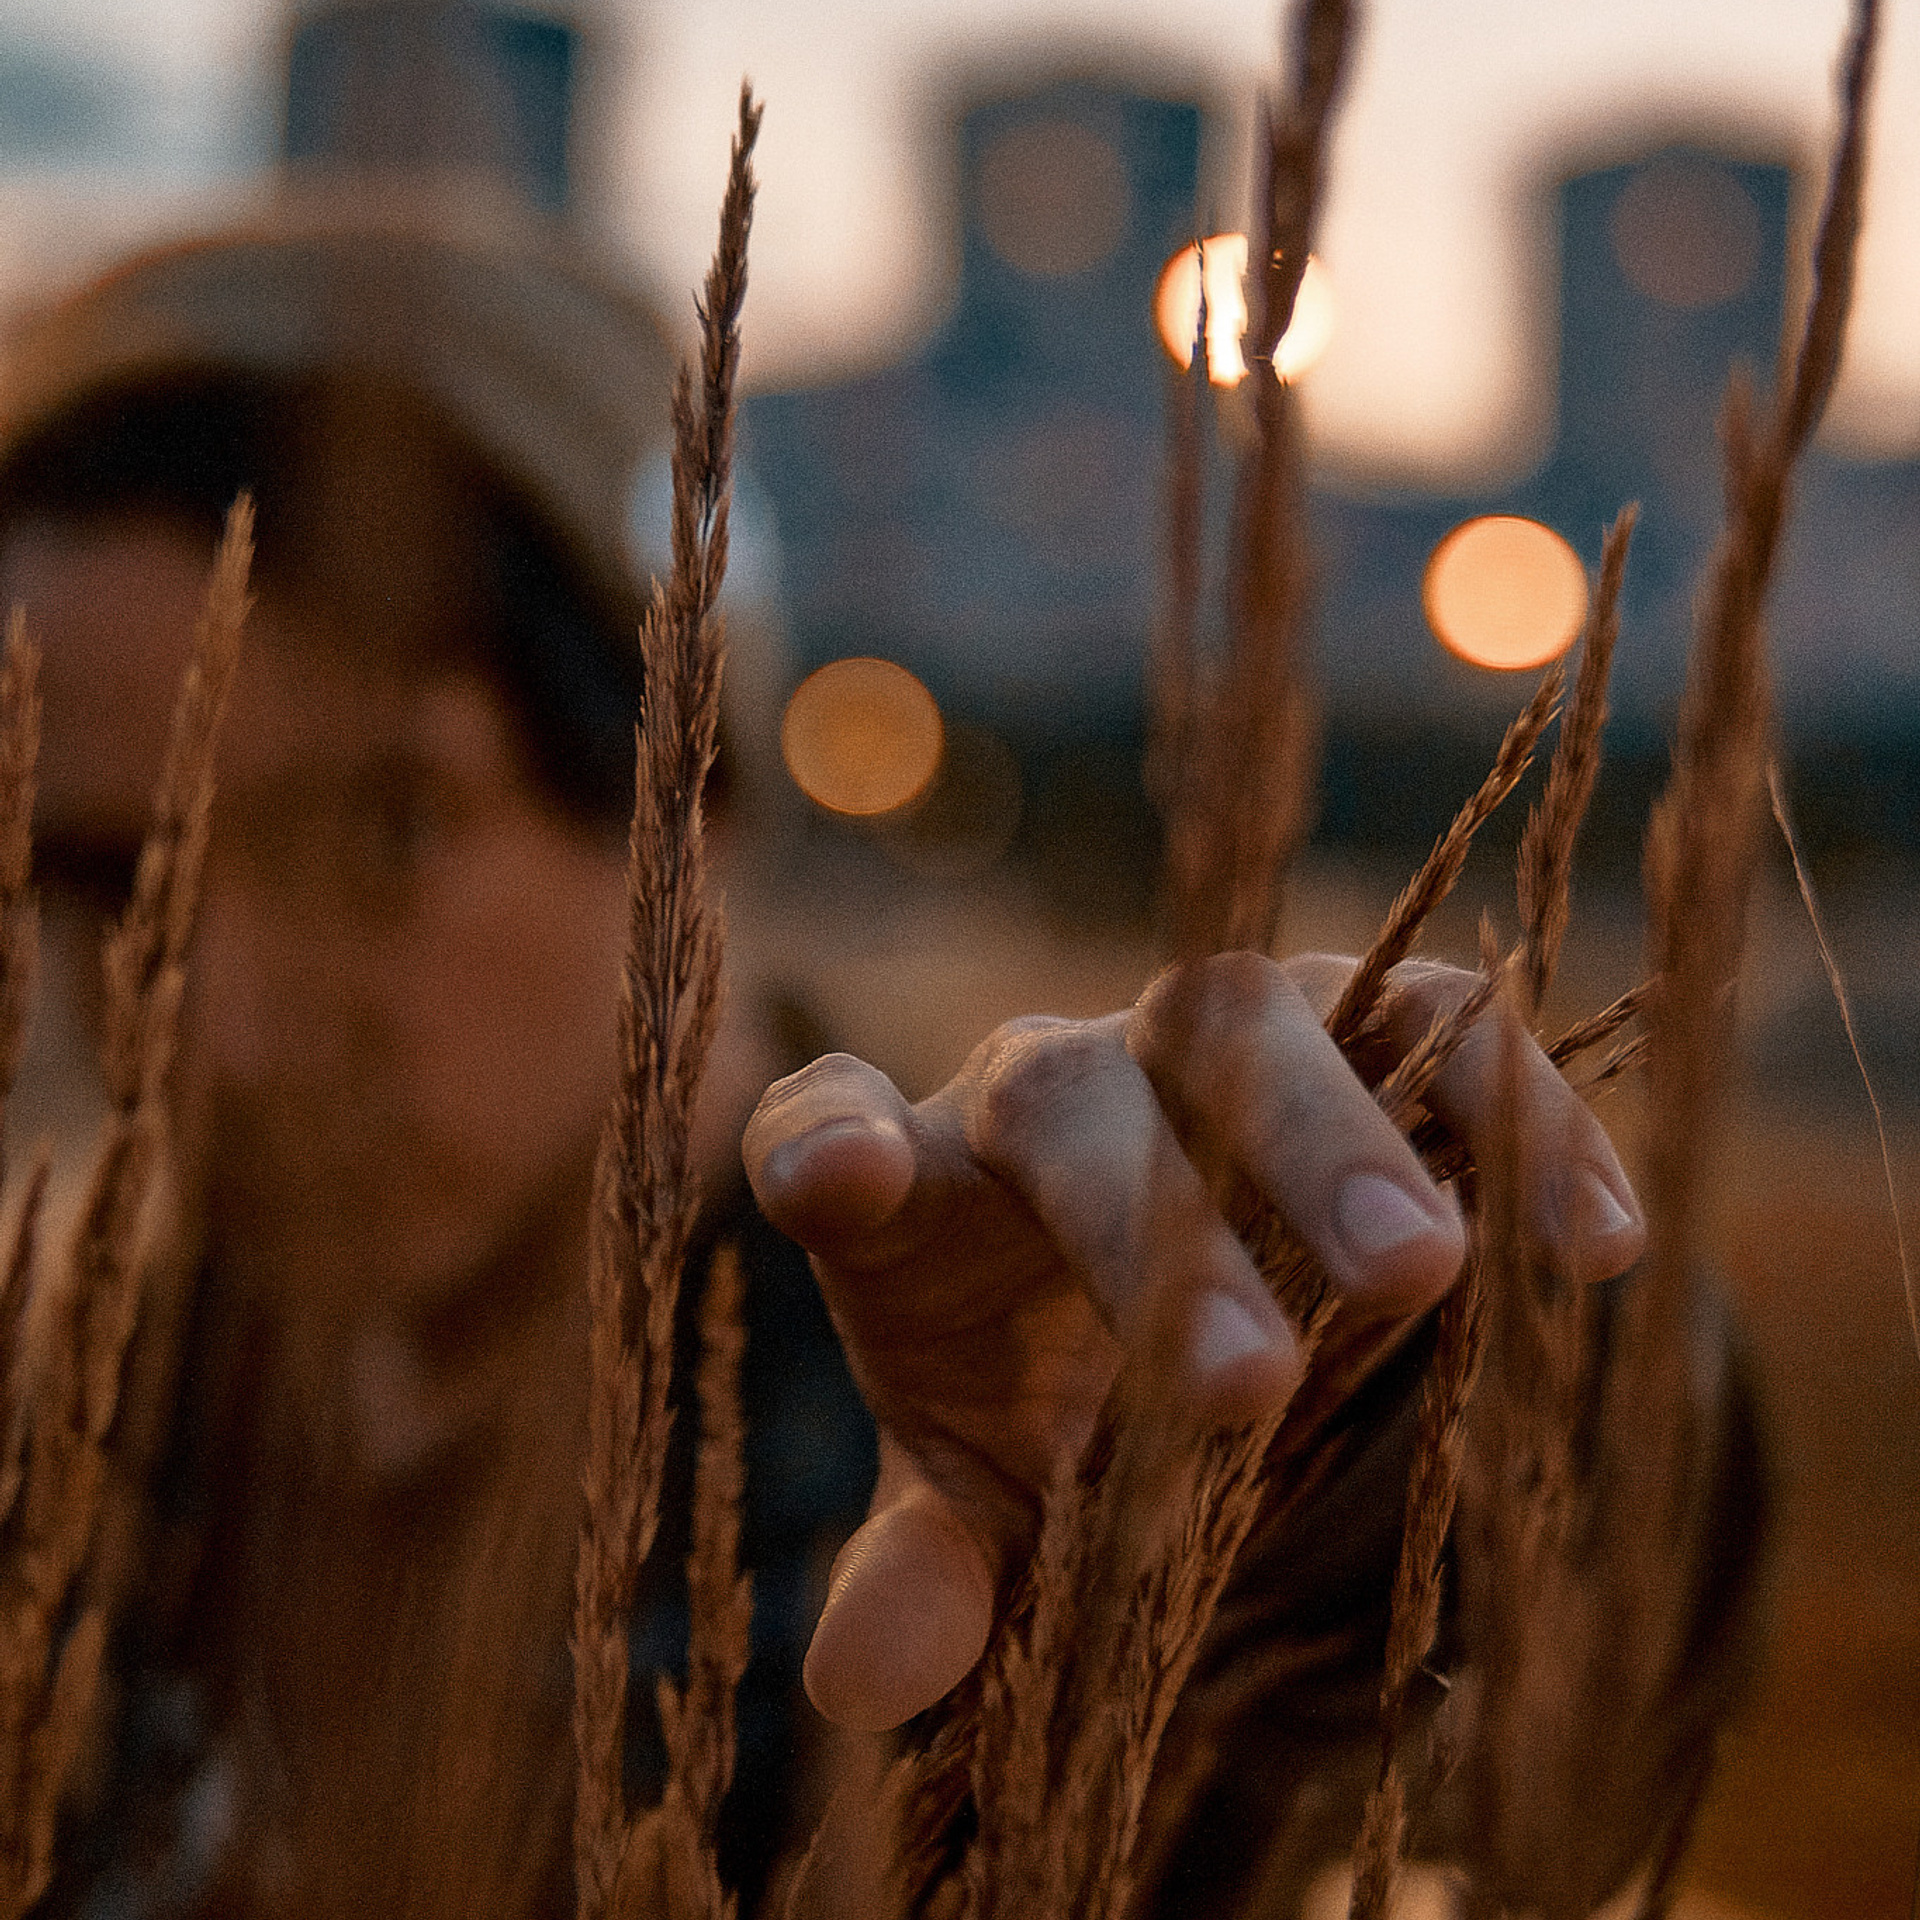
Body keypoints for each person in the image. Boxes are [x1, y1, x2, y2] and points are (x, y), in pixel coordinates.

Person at [0, 64, 1748, 1920]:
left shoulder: (955, 1427)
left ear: (694, 782)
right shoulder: (87, 1432)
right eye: (97, 878)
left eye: (376, 833)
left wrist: (1406, 1372)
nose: (212, 1022)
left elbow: (1490, 1665)